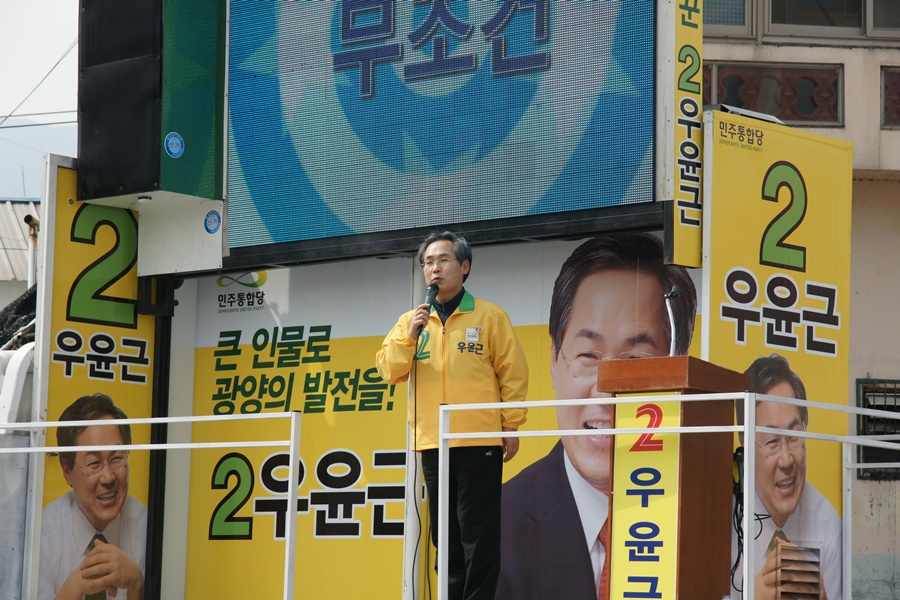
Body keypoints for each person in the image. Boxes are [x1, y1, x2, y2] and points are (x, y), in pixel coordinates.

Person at [496, 232, 697, 600]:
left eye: (635, 361)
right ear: (554, 361)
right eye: (589, 356)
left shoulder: (717, 517)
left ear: (678, 368)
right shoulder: (495, 527)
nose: (606, 394)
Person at [376, 230, 529, 600]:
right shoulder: (411, 322)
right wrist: (409, 337)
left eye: (443, 260)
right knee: (444, 537)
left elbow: (513, 372)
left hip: (478, 440)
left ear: (464, 267)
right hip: (433, 442)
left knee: (478, 535)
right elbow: (388, 370)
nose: (435, 269)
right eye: (428, 262)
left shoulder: (489, 316)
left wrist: (511, 424)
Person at [731, 354, 842, 600]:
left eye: (794, 437)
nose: (786, 460)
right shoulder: (720, 518)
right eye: (772, 441)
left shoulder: (827, 523)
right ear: (745, 443)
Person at [39, 393, 147, 600]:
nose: (108, 477)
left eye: (116, 458)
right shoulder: (43, 533)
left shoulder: (148, 529)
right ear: (67, 471)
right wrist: (76, 585)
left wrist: (137, 585)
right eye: (94, 463)